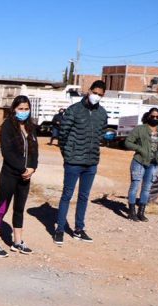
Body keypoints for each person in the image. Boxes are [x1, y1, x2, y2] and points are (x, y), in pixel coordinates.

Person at [54, 80, 108, 245]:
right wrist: (67, 154)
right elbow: (63, 134)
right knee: (67, 195)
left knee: (84, 197)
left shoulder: (102, 113)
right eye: (95, 92)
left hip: (91, 162)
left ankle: (79, 229)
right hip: (73, 162)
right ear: (89, 91)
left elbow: (101, 134)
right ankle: (59, 230)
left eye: (100, 94)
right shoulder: (74, 110)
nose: (97, 96)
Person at [0, 95, 38, 257]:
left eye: (26, 109)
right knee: (2, 207)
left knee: (19, 208)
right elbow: (7, 152)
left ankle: (17, 242)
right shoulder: (8, 126)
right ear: (14, 109)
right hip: (10, 175)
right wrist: (22, 169)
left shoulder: (31, 127)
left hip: (26, 177)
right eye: (20, 109)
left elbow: (35, 151)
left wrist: (32, 168)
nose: (24, 112)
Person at [124, 108, 158, 222]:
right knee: (135, 186)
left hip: (154, 163)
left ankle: (141, 213)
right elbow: (128, 142)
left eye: (157, 117)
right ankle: (131, 212)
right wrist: (140, 149)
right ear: (148, 116)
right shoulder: (140, 129)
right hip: (139, 161)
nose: (155, 118)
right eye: (152, 116)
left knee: (147, 188)